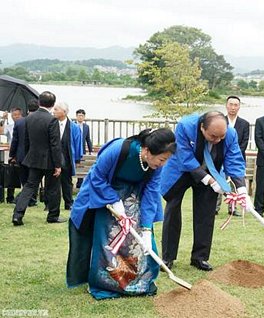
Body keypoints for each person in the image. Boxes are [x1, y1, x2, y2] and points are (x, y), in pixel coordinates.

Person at [66, 128, 176, 300]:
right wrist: (114, 200)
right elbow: (97, 177)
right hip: (106, 195)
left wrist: (147, 229)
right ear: (147, 151)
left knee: (139, 240)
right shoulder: (118, 149)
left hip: (134, 197)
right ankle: (107, 283)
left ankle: (139, 282)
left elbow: (151, 194)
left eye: (166, 160)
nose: (162, 164)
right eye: (162, 159)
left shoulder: (157, 166)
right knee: (109, 238)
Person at [161, 111, 246, 271]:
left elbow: (234, 159)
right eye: (214, 136)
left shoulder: (230, 133)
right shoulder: (185, 126)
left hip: (211, 170)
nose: (218, 140)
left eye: (221, 137)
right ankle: (168, 257)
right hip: (182, 170)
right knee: (172, 210)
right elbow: (184, 157)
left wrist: (241, 189)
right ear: (202, 128)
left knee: (206, 214)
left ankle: (199, 258)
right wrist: (210, 181)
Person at [12, 91, 63, 226]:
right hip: (49, 160)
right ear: (52, 105)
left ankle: (17, 215)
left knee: (29, 187)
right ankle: (52, 215)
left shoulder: (29, 118)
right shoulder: (52, 120)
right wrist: (58, 165)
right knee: (53, 188)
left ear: (39, 102)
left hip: (33, 158)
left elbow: (27, 141)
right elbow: (55, 144)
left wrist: (29, 155)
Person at [215, 96, 250, 216]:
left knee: (235, 184)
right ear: (226, 105)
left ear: (239, 107)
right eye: (231, 104)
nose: (233, 107)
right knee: (219, 182)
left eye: (236, 105)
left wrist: (233, 154)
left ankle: (233, 208)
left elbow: (244, 142)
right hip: (219, 159)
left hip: (236, 158)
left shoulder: (244, 123)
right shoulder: (219, 121)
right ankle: (215, 207)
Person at [53, 102, 83, 210]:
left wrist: (77, 158)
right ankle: (50, 204)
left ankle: (68, 203)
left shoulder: (74, 127)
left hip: (67, 157)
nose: (53, 111)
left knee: (67, 182)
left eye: (56, 109)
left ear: (64, 112)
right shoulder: (52, 124)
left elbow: (78, 143)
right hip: (54, 157)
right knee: (52, 182)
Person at [9, 100, 39, 206]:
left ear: (27, 110)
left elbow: (15, 141)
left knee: (24, 179)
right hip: (35, 156)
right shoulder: (40, 121)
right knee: (34, 179)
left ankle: (27, 199)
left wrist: (12, 155)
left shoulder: (19, 122)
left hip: (21, 155)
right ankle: (31, 198)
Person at [1, 108, 24, 203]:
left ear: (21, 115)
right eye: (13, 115)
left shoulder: (25, 124)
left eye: (17, 115)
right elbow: (2, 132)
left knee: (23, 176)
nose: (16, 117)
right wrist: (4, 119)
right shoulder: (10, 126)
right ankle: (10, 197)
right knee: (11, 174)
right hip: (11, 153)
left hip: (21, 153)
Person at [75, 109, 93, 188]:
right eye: (79, 115)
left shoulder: (86, 127)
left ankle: (80, 184)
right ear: (76, 116)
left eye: (82, 116)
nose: (80, 117)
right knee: (74, 165)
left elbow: (88, 139)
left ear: (84, 117)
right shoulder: (73, 125)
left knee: (81, 167)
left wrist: (90, 150)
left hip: (82, 149)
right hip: (74, 149)